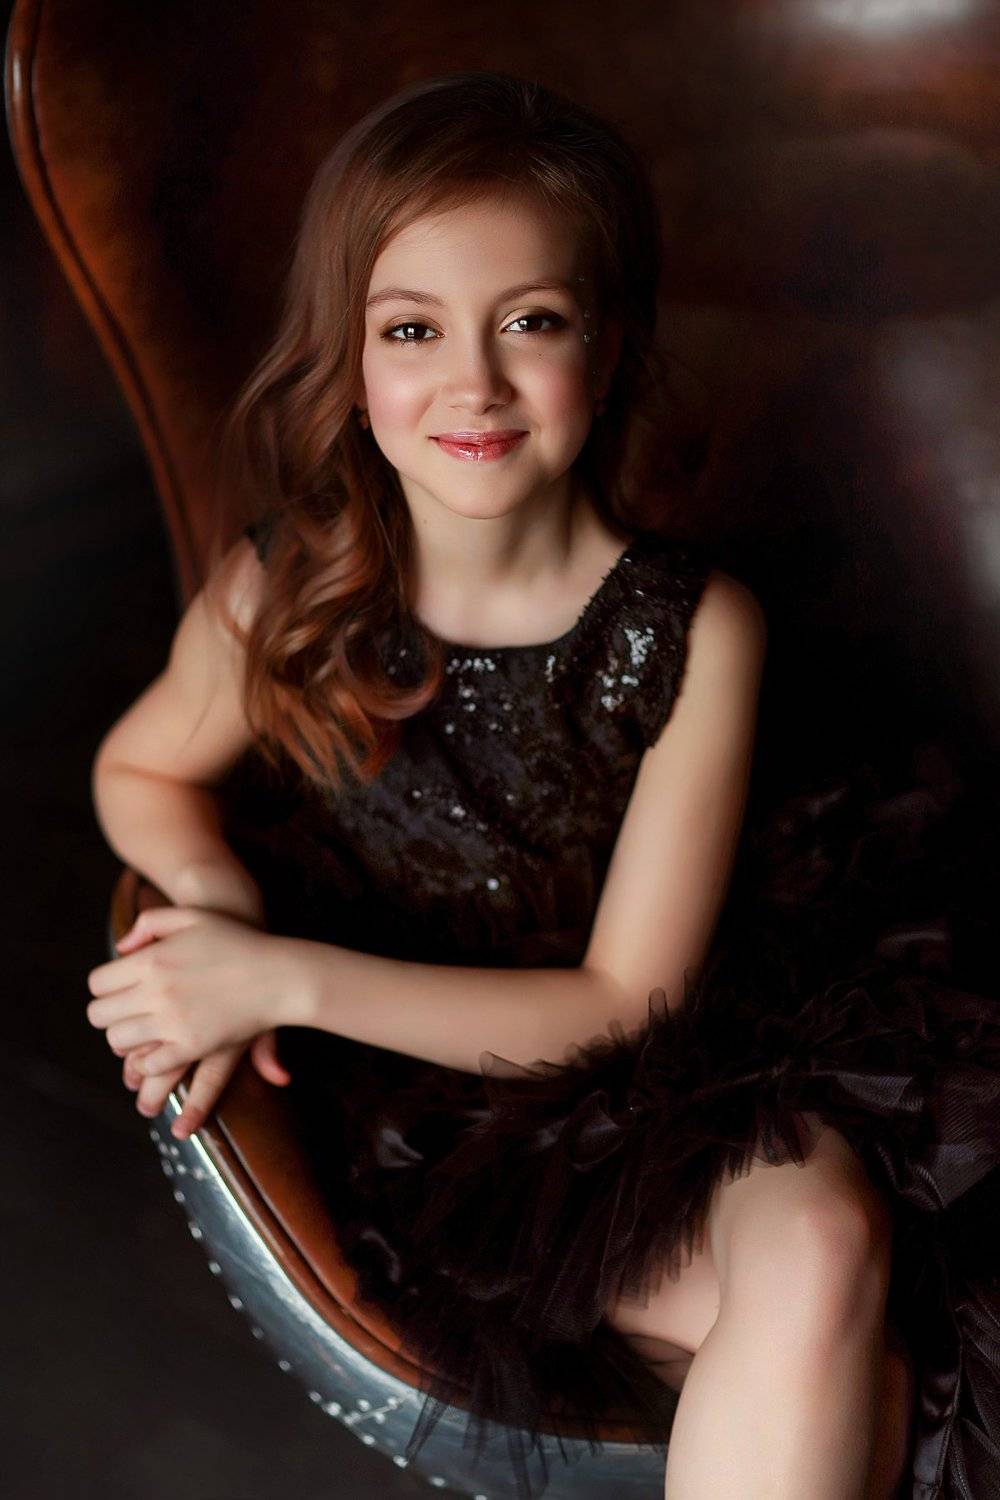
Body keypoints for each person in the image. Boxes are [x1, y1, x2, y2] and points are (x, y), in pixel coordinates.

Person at [85, 71, 1000, 1500]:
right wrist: (212, 891)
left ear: (610, 346)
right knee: (859, 1360)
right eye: (412, 330)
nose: (476, 383)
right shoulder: (290, 587)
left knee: (827, 1247)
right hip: (442, 1115)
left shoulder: (690, 629)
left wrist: (274, 977)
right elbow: (140, 764)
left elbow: (625, 1006)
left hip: (665, 1052)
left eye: (531, 322)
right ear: (350, 360)